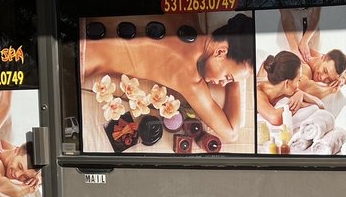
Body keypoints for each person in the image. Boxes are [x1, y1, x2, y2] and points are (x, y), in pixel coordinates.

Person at [81, 12, 254, 143]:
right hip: (83, 60)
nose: (223, 83)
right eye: (228, 77)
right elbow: (231, 133)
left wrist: (237, 75)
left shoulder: (187, 11)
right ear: (221, 51)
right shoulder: (190, 80)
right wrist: (236, 84)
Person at [256, 51, 324, 126]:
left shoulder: (284, 88)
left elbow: (320, 104)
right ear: (287, 83)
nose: (298, 85)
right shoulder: (258, 93)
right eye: (298, 80)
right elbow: (275, 118)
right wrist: (297, 105)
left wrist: (301, 94)